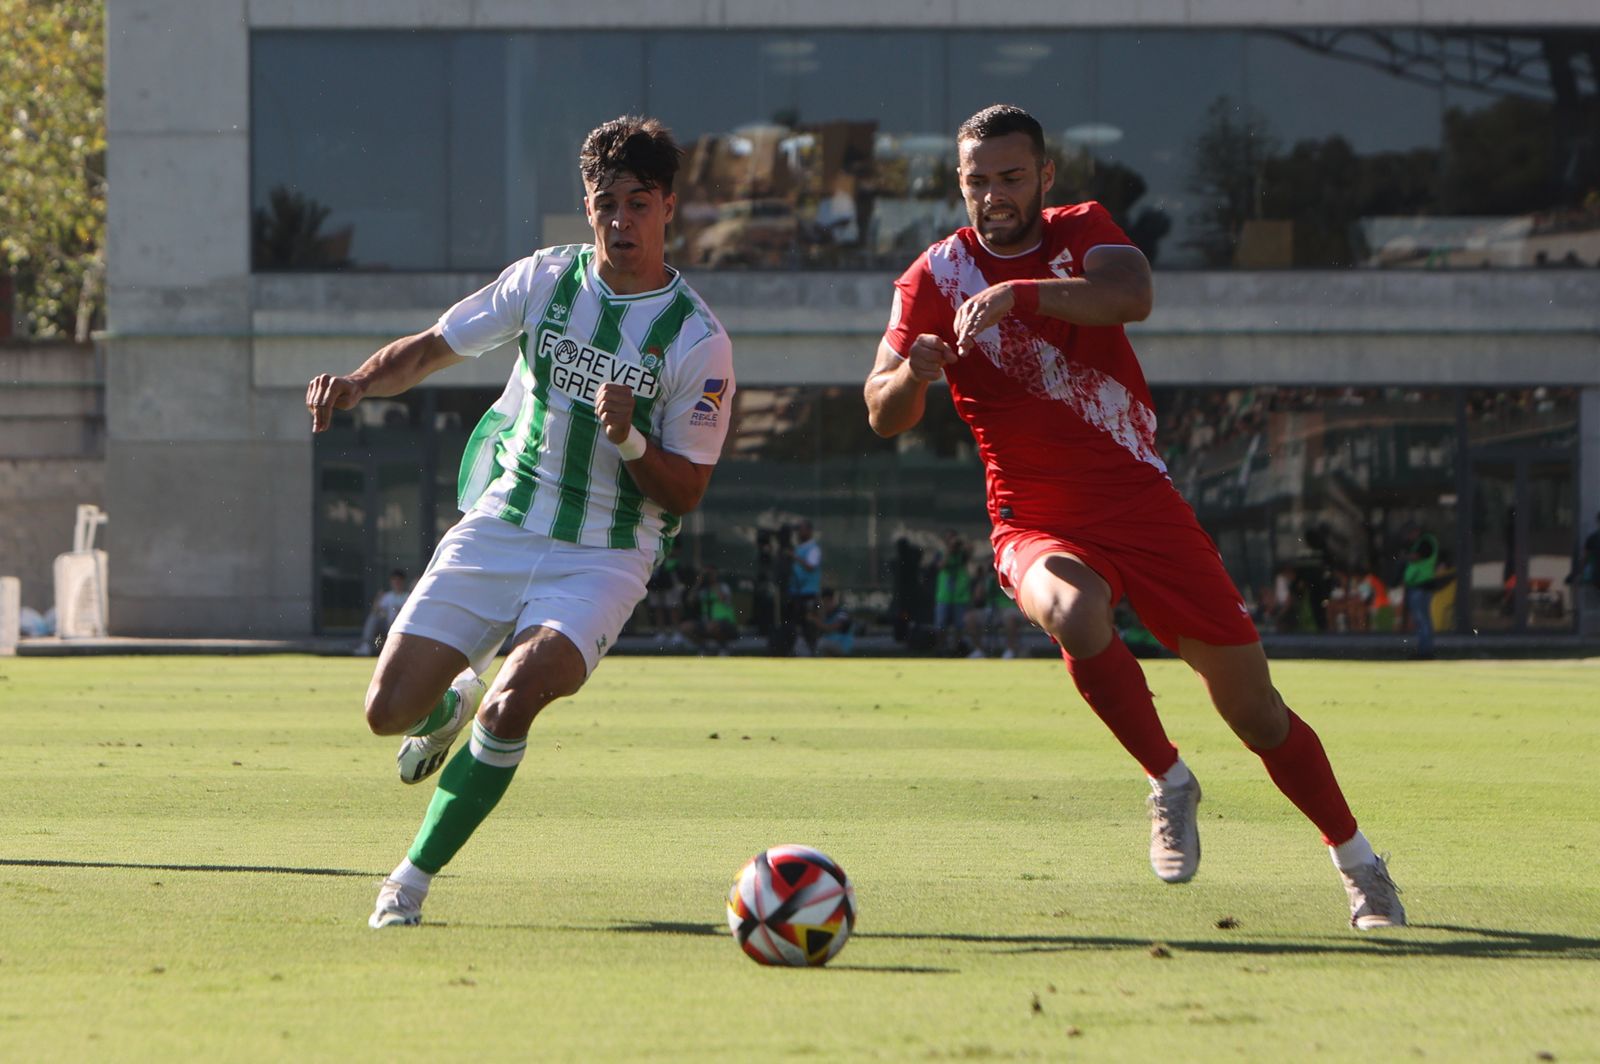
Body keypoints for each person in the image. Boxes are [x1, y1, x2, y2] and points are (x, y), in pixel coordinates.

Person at [863, 104, 1403, 930]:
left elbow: (1133, 295)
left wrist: (1021, 296)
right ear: (959, 185)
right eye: (977, 182)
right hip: (1031, 515)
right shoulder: (931, 277)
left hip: (1143, 505)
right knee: (1075, 614)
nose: (994, 196)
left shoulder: (1083, 229)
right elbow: (880, 409)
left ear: (1044, 176)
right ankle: (1168, 778)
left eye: (1011, 178)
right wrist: (915, 378)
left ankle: (1357, 858)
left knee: (1256, 712)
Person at [305, 115, 735, 929]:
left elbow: (685, 493)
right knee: (384, 713)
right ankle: (441, 709)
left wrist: (631, 437)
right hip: (504, 519)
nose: (620, 220)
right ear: (587, 204)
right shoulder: (544, 280)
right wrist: (360, 383)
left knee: (514, 701)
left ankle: (408, 881)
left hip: (605, 555)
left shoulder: (698, 342)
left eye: (638, 203)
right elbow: (435, 346)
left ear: (668, 207)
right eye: (605, 202)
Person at [1400, 522, 1440, 659]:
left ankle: (1425, 651)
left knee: (1422, 620)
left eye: (1411, 533)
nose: (1410, 537)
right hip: (1419, 586)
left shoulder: (1426, 542)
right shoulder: (1423, 542)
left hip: (1421, 586)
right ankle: (1424, 649)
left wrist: (1405, 557)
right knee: (1422, 620)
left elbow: (1418, 556)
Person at [783, 519, 822, 655]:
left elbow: (811, 566)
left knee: (809, 625)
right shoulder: (799, 548)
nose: (799, 533)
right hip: (796, 592)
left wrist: (794, 557)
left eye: (801, 529)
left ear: (809, 531)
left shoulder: (813, 548)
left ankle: (813, 651)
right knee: (795, 624)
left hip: (809, 593)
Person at [681, 564, 740, 654]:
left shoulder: (723, 586)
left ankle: (723, 647)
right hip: (707, 622)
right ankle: (704, 646)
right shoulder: (703, 590)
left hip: (726, 623)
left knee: (712, 626)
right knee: (685, 627)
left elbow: (722, 598)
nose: (708, 576)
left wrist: (713, 581)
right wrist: (698, 582)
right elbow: (690, 600)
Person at [932, 529, 972, 655]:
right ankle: (941, 648)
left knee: (959, 625)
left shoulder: (962, 554)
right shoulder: (941, 553)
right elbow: (940, 566)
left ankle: (956, 649)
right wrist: (949, 551)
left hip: (959, 596)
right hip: (944, 595)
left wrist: (961, 543)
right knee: (941, 624)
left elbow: (971, 550)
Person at [355, 569, 410, 656]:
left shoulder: (408, 596)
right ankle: (366, 645)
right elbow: (375, 611)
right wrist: (377, 599)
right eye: (394, 580)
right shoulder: (388, 596)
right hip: (387, 625)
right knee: (373, 617)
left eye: (399, 580)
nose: (396, 583)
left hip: (402, 627)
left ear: (403, 581)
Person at [816, 587, 855, 656]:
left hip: (842, 644)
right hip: (831, 643)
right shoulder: (826, 612)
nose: (825, 604)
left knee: (821, 643)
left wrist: (814, 620)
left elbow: (831, 628)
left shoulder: (842, 612)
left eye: (827, 601)